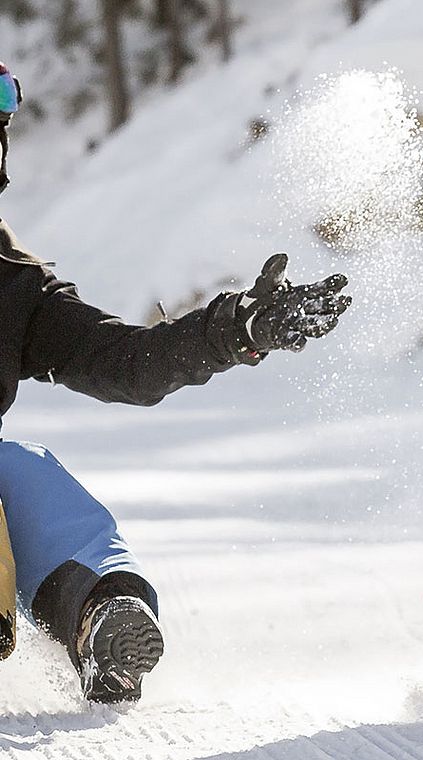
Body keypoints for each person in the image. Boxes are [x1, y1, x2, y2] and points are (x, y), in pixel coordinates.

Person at [0, 62, 351, 703]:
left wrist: (232, 332)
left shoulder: (11, 287)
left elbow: (125, 362)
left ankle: (101, 621)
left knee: (21, 472)